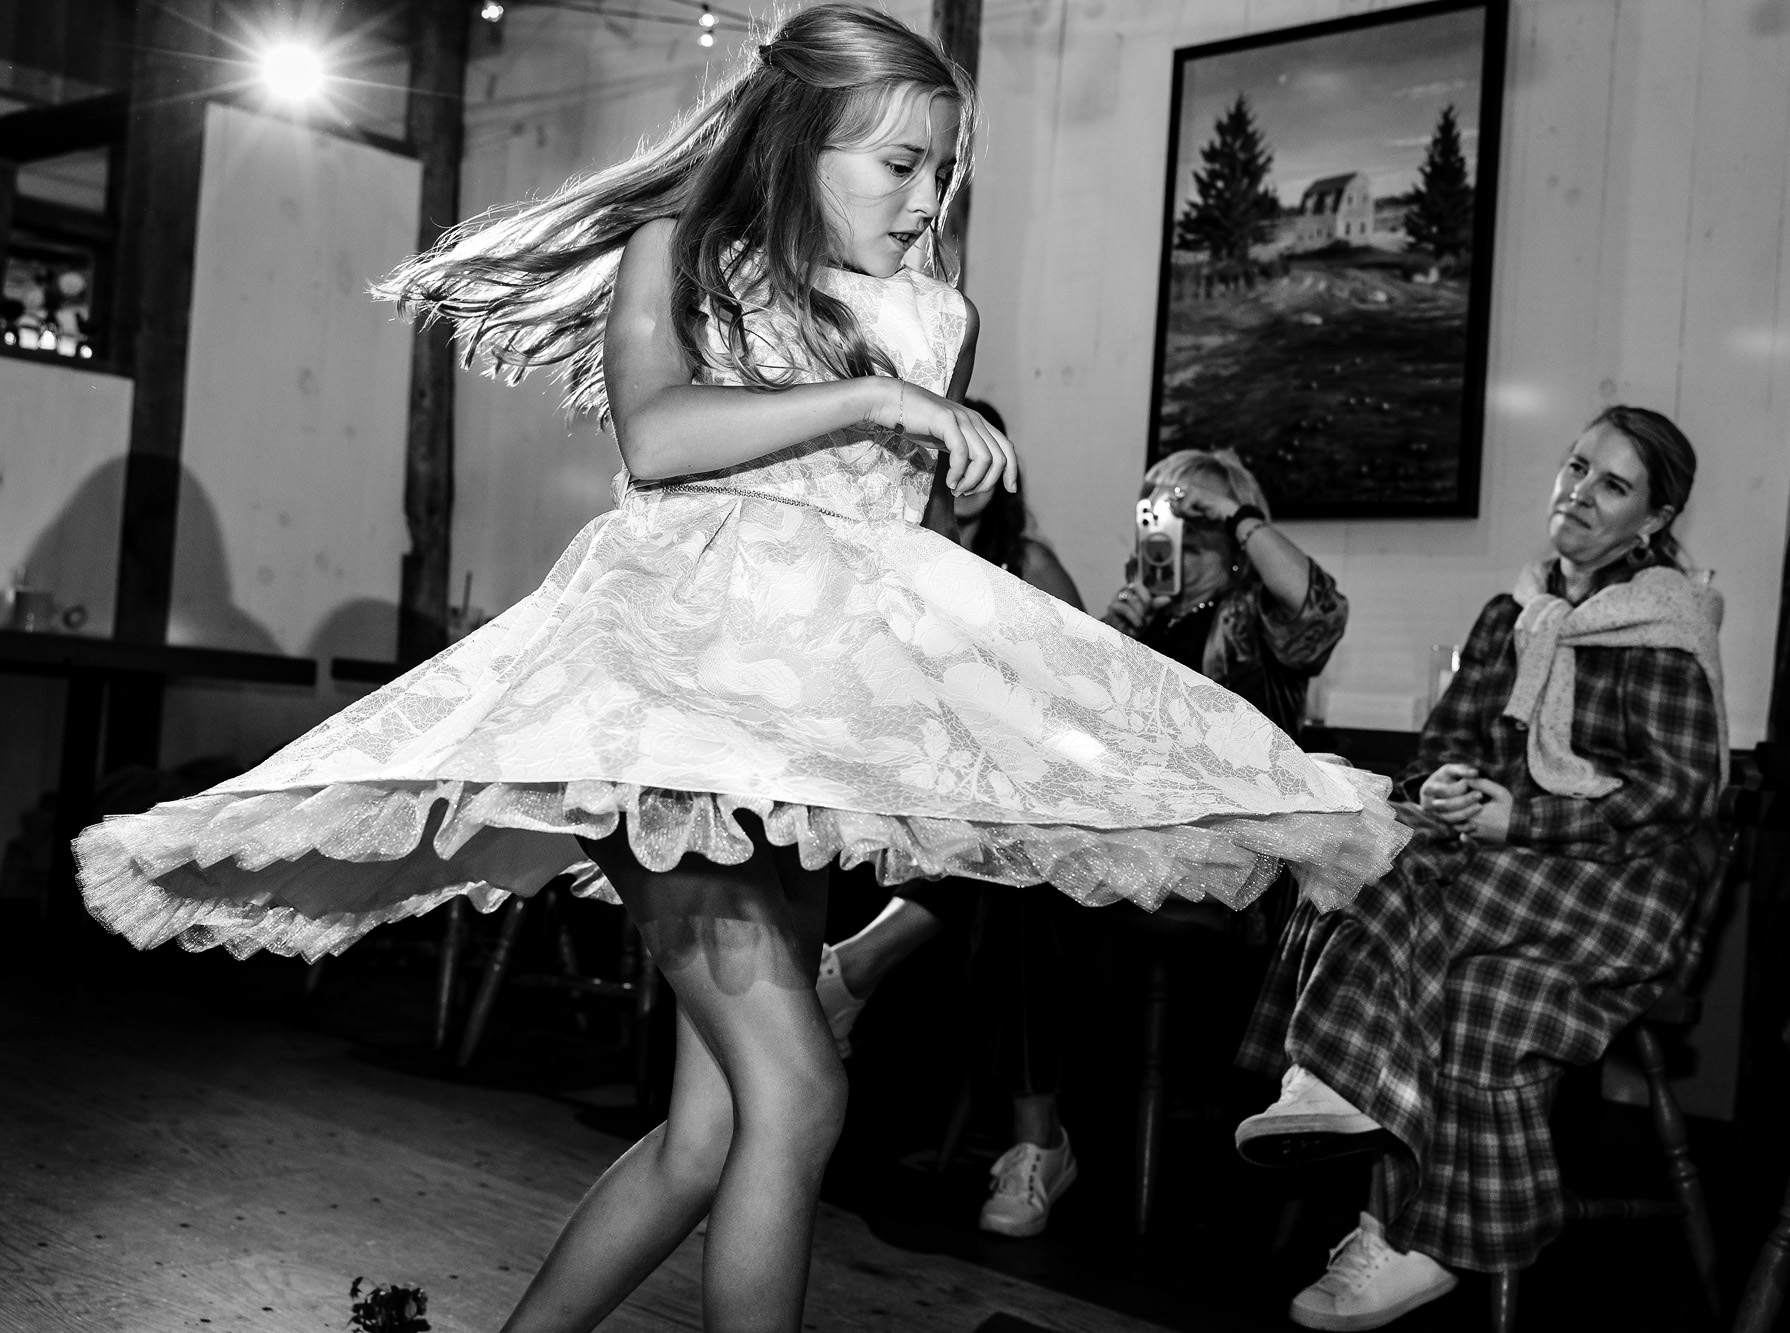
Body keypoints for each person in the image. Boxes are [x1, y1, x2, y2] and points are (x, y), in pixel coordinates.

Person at [71, 9, 1409, 1331]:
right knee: (803, 1093)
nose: (927, 197)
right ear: (799, 139)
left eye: (944, 170)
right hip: (673, 714)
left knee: (709, 1135)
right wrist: (876, 400)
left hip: (807, 736)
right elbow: (658, 438)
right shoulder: (688, 257)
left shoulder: (940, 316)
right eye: (899, 164)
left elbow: (887, 549)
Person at [1235, 405, 1725, 1330]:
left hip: (1623, 885)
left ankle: (1339, 1074)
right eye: (1576, 466)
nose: (1579, 492)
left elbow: (1684, 792)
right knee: (1389, 864)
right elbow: (1444, 746)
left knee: (1405, 872)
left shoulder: (1660, 623)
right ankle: (1407, 1232)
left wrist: (1522, 816)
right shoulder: (1515, 613)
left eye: (1613, 484)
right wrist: (1449, 784)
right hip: (1504, 879)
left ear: (1655, 520)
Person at [817, 397, 1088, 1238]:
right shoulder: (897, 563)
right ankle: (1034, 1141)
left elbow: (1088, 686)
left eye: (974, 452)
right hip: (919, 791)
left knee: (1011, 860)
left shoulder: (1026, 559)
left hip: (1036, 794)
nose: (958, 472)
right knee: (980, 851)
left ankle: (851, 970)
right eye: (937, 453)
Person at [1102, 447, 1348, 737]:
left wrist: (1232, 512)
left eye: (1201, 513)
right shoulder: (1139, 616)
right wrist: (1110, 638)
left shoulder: (1257, 614)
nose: (1186, 526)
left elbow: (1321, 610)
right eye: (1171, 512)